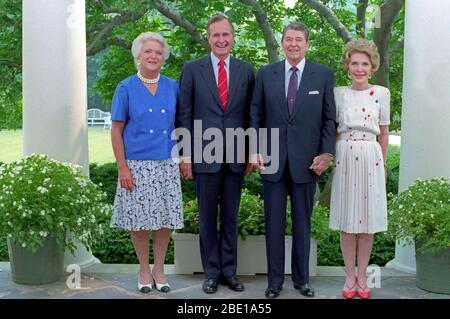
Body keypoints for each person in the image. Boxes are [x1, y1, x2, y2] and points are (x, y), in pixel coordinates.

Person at [249, 22, 336, 299]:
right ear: (282, 43)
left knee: (302, 224)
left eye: (299, 39)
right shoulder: (266, 74)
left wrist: (326, 152)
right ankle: (274, 282)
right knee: (273, 224)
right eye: (289, 39)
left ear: (307, 44)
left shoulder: (322, 75)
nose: (294, 44)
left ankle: (302, 280)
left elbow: (328, 119)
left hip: (307, 163)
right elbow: (255, 116)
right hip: (272, 161)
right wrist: (254, 149)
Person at [176, 14, 255, 294]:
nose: (221, 40)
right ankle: (211, 272)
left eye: (226, 35)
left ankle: (229, 272)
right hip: (203, 156)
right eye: (215, 35)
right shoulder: (192, 69)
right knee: (207, 217)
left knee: (231, 217)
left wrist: (252, 151)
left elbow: (251, 115)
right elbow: (183, 114)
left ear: (233, 37)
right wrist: (184, 156)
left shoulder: (246, 70)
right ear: (208, 38)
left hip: (235, 155)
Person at [110, 32, 184, 294]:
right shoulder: (125, 87)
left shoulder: (173, 87)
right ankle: (144, 269)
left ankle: (160, 269)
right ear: (138, 56)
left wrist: (183, 158)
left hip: (166, 164)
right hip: (136, 165)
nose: (153, 56)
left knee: (164, 221)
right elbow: (116, 129)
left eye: (158, 53)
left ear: (163, 58)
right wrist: (122, 168)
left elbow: (180, 127)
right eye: (148, 52)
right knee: (139, 221)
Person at [329, 39, 389, 299]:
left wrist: (383, 167)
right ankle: (349, 276)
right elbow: (331, 131)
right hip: (345, 155)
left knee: (366, 223)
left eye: (365, 63)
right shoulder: (337, 93)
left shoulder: (382, 93)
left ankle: (363, 276)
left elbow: (384, 133)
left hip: (371, 157)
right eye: (355, 63)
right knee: (347, 222)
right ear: (347, 65)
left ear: (372, 66)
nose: (360, 68)